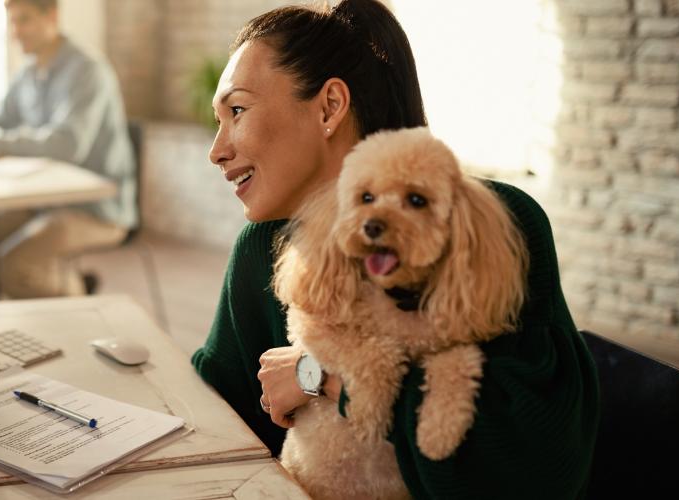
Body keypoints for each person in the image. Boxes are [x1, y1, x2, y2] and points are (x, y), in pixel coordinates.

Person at [190, 1, 599, 497]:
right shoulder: (265, 247)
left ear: (329, 108)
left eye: (236, 110)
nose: (217, 149)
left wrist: (321, 375)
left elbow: (535, 458)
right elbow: (215, 415)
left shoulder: (496, 224)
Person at [0, 0, 136, 298]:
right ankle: (49, 297)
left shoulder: (88, 71)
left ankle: (78, 313)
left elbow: (66, 144)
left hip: (96, 209)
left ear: (52, 16)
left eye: (24, 21)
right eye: (11, 22)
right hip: (42, 202)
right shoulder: (28, 73)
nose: (16, 32)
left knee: (17, 266)